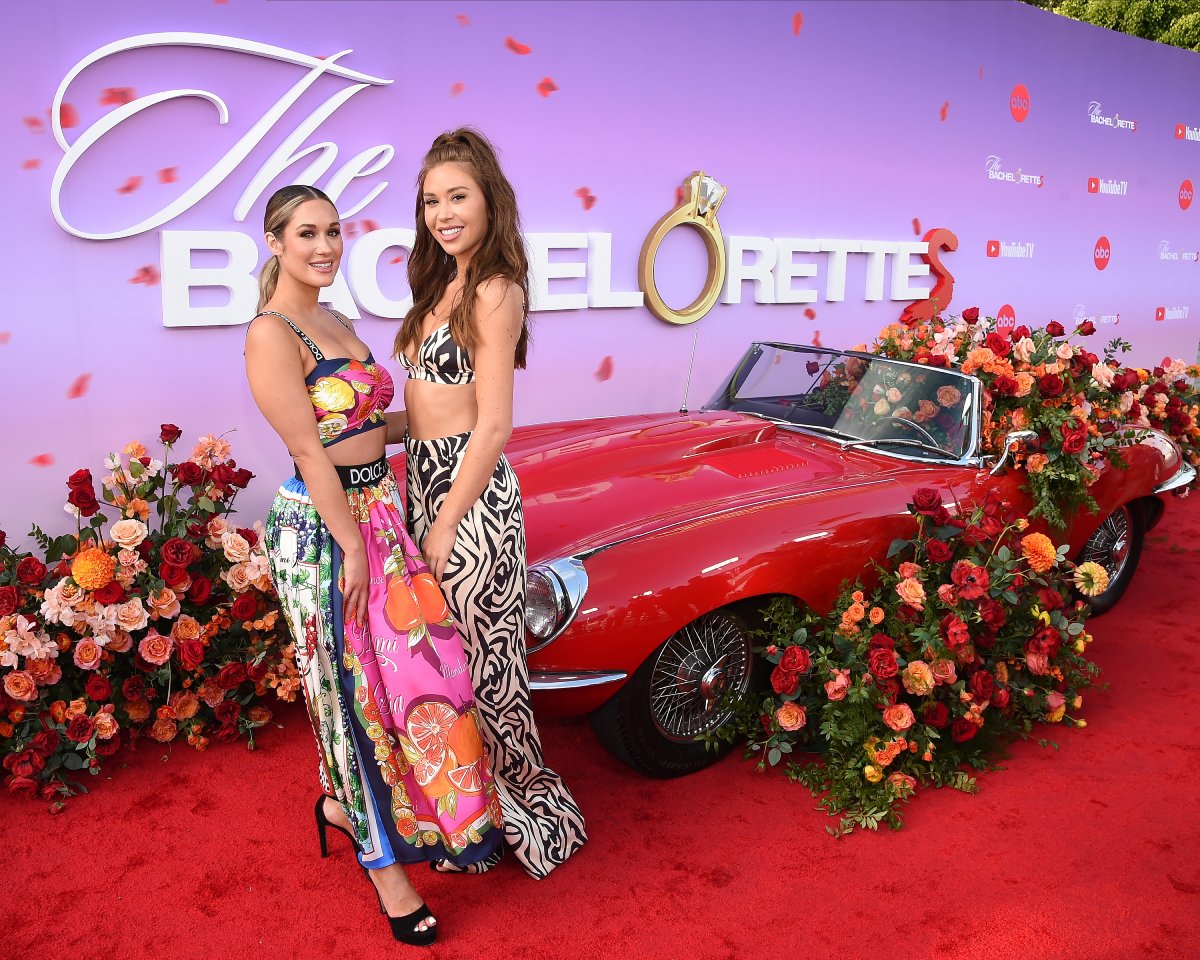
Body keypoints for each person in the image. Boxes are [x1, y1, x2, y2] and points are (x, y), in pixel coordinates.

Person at [245, 184, 503, 946]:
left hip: (379, 512)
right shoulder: (271, 332)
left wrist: (458, 416)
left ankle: (348, 808)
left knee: (420, 681)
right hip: (325, 532)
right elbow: (305, 448)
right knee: (344, 696)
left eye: (333, 232)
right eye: (306, 235)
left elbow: (365, 423)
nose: (325, 247)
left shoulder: (339, 319)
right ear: (274, 243)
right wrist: (352, 543)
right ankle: (383, 865)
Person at [395, 129, 587, 879]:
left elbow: (493, 424)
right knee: (444, 670)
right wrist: (355, 432)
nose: (442, 212)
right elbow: (427, 409)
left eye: (457, 197)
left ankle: (534, 818)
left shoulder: (495, 288)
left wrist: (444, 522)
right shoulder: (439, 284)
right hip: (425, 482)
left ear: (489, 201)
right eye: (431, 200)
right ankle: (468, 821)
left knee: (487, 669)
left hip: (468, 503)